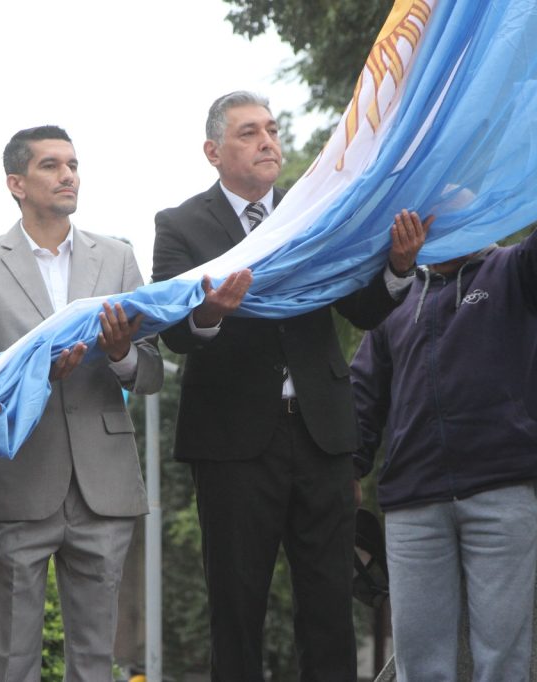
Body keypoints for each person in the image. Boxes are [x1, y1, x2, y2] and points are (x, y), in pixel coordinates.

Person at [150, 90, 427, 680]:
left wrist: (398, 269)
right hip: (231, 444)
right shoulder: (179, 225)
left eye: (272, 129)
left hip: (323, 433)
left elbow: (363, 308)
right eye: (249, 132)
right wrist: (212, 313)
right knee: (237, 606)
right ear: (213, 151)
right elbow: (174, 331)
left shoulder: (314, 210)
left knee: (328, 604)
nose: (267, 141)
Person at [349, 179, 537, 681]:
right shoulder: (395, 298)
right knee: (420, 664)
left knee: (501, 660)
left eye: (456, 212)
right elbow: (362, 394)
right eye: (431, 218)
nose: (440, 226)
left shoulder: (515, 270)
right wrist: (349, 470)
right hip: (412, 504)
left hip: (499, 492)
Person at [0, 125, 163, 681]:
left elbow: (151, 368)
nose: (68, 175)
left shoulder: (117, 257)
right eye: (50, 165)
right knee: (10, 658)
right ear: (16, 183)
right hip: (19, 478)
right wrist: (34, 374)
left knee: (94, 661)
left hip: (104, 485)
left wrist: (119, 356)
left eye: (73, 164)